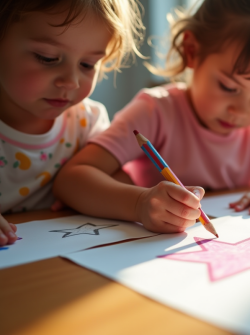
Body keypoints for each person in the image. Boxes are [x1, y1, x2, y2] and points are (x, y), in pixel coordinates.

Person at [54, 0, 250, 234]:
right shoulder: (155, 111)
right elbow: (73, 179)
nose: (241, 111)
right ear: (192, 51)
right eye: (229, 87)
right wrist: (139, 203)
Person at [0, 0, 144, 246]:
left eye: (87, 64)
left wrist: (146, 202)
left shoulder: (87, 121)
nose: (72, 81)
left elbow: (116, 183)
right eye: (47, 58)